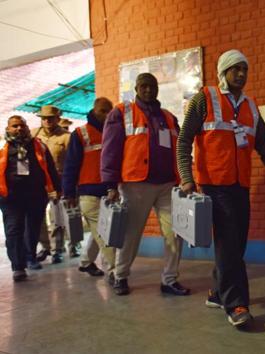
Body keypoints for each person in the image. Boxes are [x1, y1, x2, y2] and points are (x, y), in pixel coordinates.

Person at [177, 49, 265, 328]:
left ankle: (216, 292)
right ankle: (237, 304)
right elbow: (184, 139)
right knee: (229, 247)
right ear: (222, 72)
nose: (240, 74)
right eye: (234, 69)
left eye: (244, 69)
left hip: (240, 185)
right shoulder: (205, 98)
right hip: (214, 186)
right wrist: (187, 177)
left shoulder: (250, 106)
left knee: (237, 244)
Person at [101, 73, 190, 297]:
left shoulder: (168, 117)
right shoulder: (121, 113)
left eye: (152, 86)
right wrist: (110, 184)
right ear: (136, 88)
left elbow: (180, 151)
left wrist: (185, 179)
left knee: (174, 233)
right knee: (131, 234)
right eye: (143, 86)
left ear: (157, 88)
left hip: (168, 185)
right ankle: (120, 276)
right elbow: (110, 150)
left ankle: (169, 280)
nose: (148, 90)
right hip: (135, 184)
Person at [0, 115, 61, 281]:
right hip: (10, 198)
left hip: (35, 196)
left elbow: (50, 168)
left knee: (32, 230)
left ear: (27, 128)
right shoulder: (2, 147)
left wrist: (58, 189)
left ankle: (30, 257)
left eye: (22, 126)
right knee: (13, 230)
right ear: (8, 129)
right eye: (15, 126)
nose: (19, 129)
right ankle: (18, 267)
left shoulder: (39, 146)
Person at [62, 97, 117, 281]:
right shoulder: (80, 133)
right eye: (102, 110)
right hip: (89, 194)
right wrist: (68, 192)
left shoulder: (113, 131)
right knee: (105, 234)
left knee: (99, 230)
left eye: (109, 110)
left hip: (109, 192)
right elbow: (70, 165)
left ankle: (86, 262)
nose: (106, 114)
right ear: (94, 111)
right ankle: (115, 272)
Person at [31, 105, 75, 265]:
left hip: (59, 182)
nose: (47, 121)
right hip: (39, 183)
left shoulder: (66, 137)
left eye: (50, 118)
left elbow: (73, 162)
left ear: (57, 118)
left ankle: (58, 250)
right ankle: (45, 247)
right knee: (38, 217)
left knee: (58, 218)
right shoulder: (33, 135)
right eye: (44, 118)